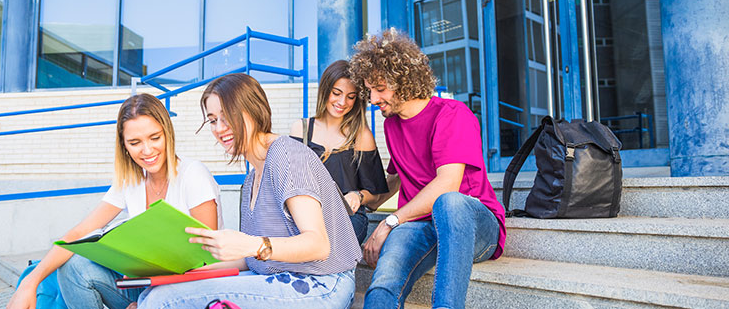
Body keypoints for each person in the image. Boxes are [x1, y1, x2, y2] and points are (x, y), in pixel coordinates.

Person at [138, 73, 361, 309]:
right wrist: (184, 271)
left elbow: (318, 244)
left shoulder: (287, 155)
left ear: (254, 110)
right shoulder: (253, 176)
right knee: (158, 292)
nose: (220, 128)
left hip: (321, 283)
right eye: (213, 120)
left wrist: (251, 244)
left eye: (228, 116)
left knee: (166, 301)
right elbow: (251, 258)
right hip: (279, 278)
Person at [7, 93, 222, 309]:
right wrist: (30, 282)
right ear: (124, 145)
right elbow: (78, 234)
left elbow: (206, 260)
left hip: (191, 290)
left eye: (155, 138)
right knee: (73, 266)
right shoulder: (131, 180)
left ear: (168, 133)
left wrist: (149, 300)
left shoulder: (193, 174)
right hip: (146, 285)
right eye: (135, 142)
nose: (147, 151)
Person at [348, 29, 506, 309]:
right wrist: (361, 199)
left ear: (403, 80)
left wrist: (390, 221)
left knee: (449, 202)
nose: (372, 99)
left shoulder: (452, 114)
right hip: (421, 225)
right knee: (384, 284)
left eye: (380, 89)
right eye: (369, 90)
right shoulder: (391, 125)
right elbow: (395, 180)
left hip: (473, 226)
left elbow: (448, 185)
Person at [289, 59, 389, 244]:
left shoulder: (361, 136)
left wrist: (358, 195)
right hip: (306, 215)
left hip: (347, 218)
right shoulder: (301, 130)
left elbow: (376, 194)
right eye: (336, 93)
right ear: (325, 90)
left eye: (351, 97)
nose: (342, 102)